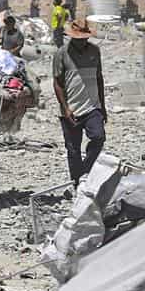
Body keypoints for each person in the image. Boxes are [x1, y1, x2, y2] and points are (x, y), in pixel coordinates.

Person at [52, 18, 106, 186]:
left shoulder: (94, 51)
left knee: (98, 137)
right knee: (73, 149)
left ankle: (85, 171)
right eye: (78, 39)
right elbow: (57, 82)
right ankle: (77, 183)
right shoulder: (62, 53)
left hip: (92, 107)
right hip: (71, 109)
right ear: (72, 37)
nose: (82, 42)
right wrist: (65, 108)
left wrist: (103, 106)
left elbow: (99, 78)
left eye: (84, 38)